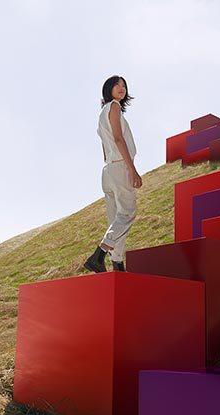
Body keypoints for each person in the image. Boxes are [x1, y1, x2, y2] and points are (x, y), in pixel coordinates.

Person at [83, 75, 143, 273]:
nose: (122, 88)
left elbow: (104, 147)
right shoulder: (114, 107)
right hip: (120, 167)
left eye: (124, 85)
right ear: (108, 89)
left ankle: (117, 263)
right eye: (117, 85)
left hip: (108, 170)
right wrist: (132, 170)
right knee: (126, 215)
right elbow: (118, 139)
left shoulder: (101, 115)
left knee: (115, 220)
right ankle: (99, 255)